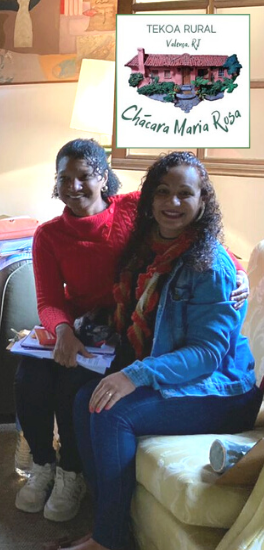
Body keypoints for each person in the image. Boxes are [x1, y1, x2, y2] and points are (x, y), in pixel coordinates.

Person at [16, 139, 249, 523]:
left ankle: (74, 474)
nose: (74, 186)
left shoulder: (136, 209)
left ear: (104, 176)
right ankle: (44, 463)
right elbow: (49, 300)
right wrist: (63, 331)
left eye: (84, 176)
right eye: (64, 178)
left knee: (77, 387)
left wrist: (241, 272)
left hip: (132, 334)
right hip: (89, 324)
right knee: (30, 374)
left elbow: (200, 238)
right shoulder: (51, 234)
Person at [64, 152, 263, 550]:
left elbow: (207, 353)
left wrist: (134, 375)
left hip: (223, 389)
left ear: (202, 202)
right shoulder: (145, 251)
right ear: (150, 200)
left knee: (112, 413)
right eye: (163, 192)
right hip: (180, 375)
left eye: (184, 194)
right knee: (86, 397)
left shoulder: (211, 265)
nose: (172, 202)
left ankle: (108, 541)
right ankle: (107, 522)